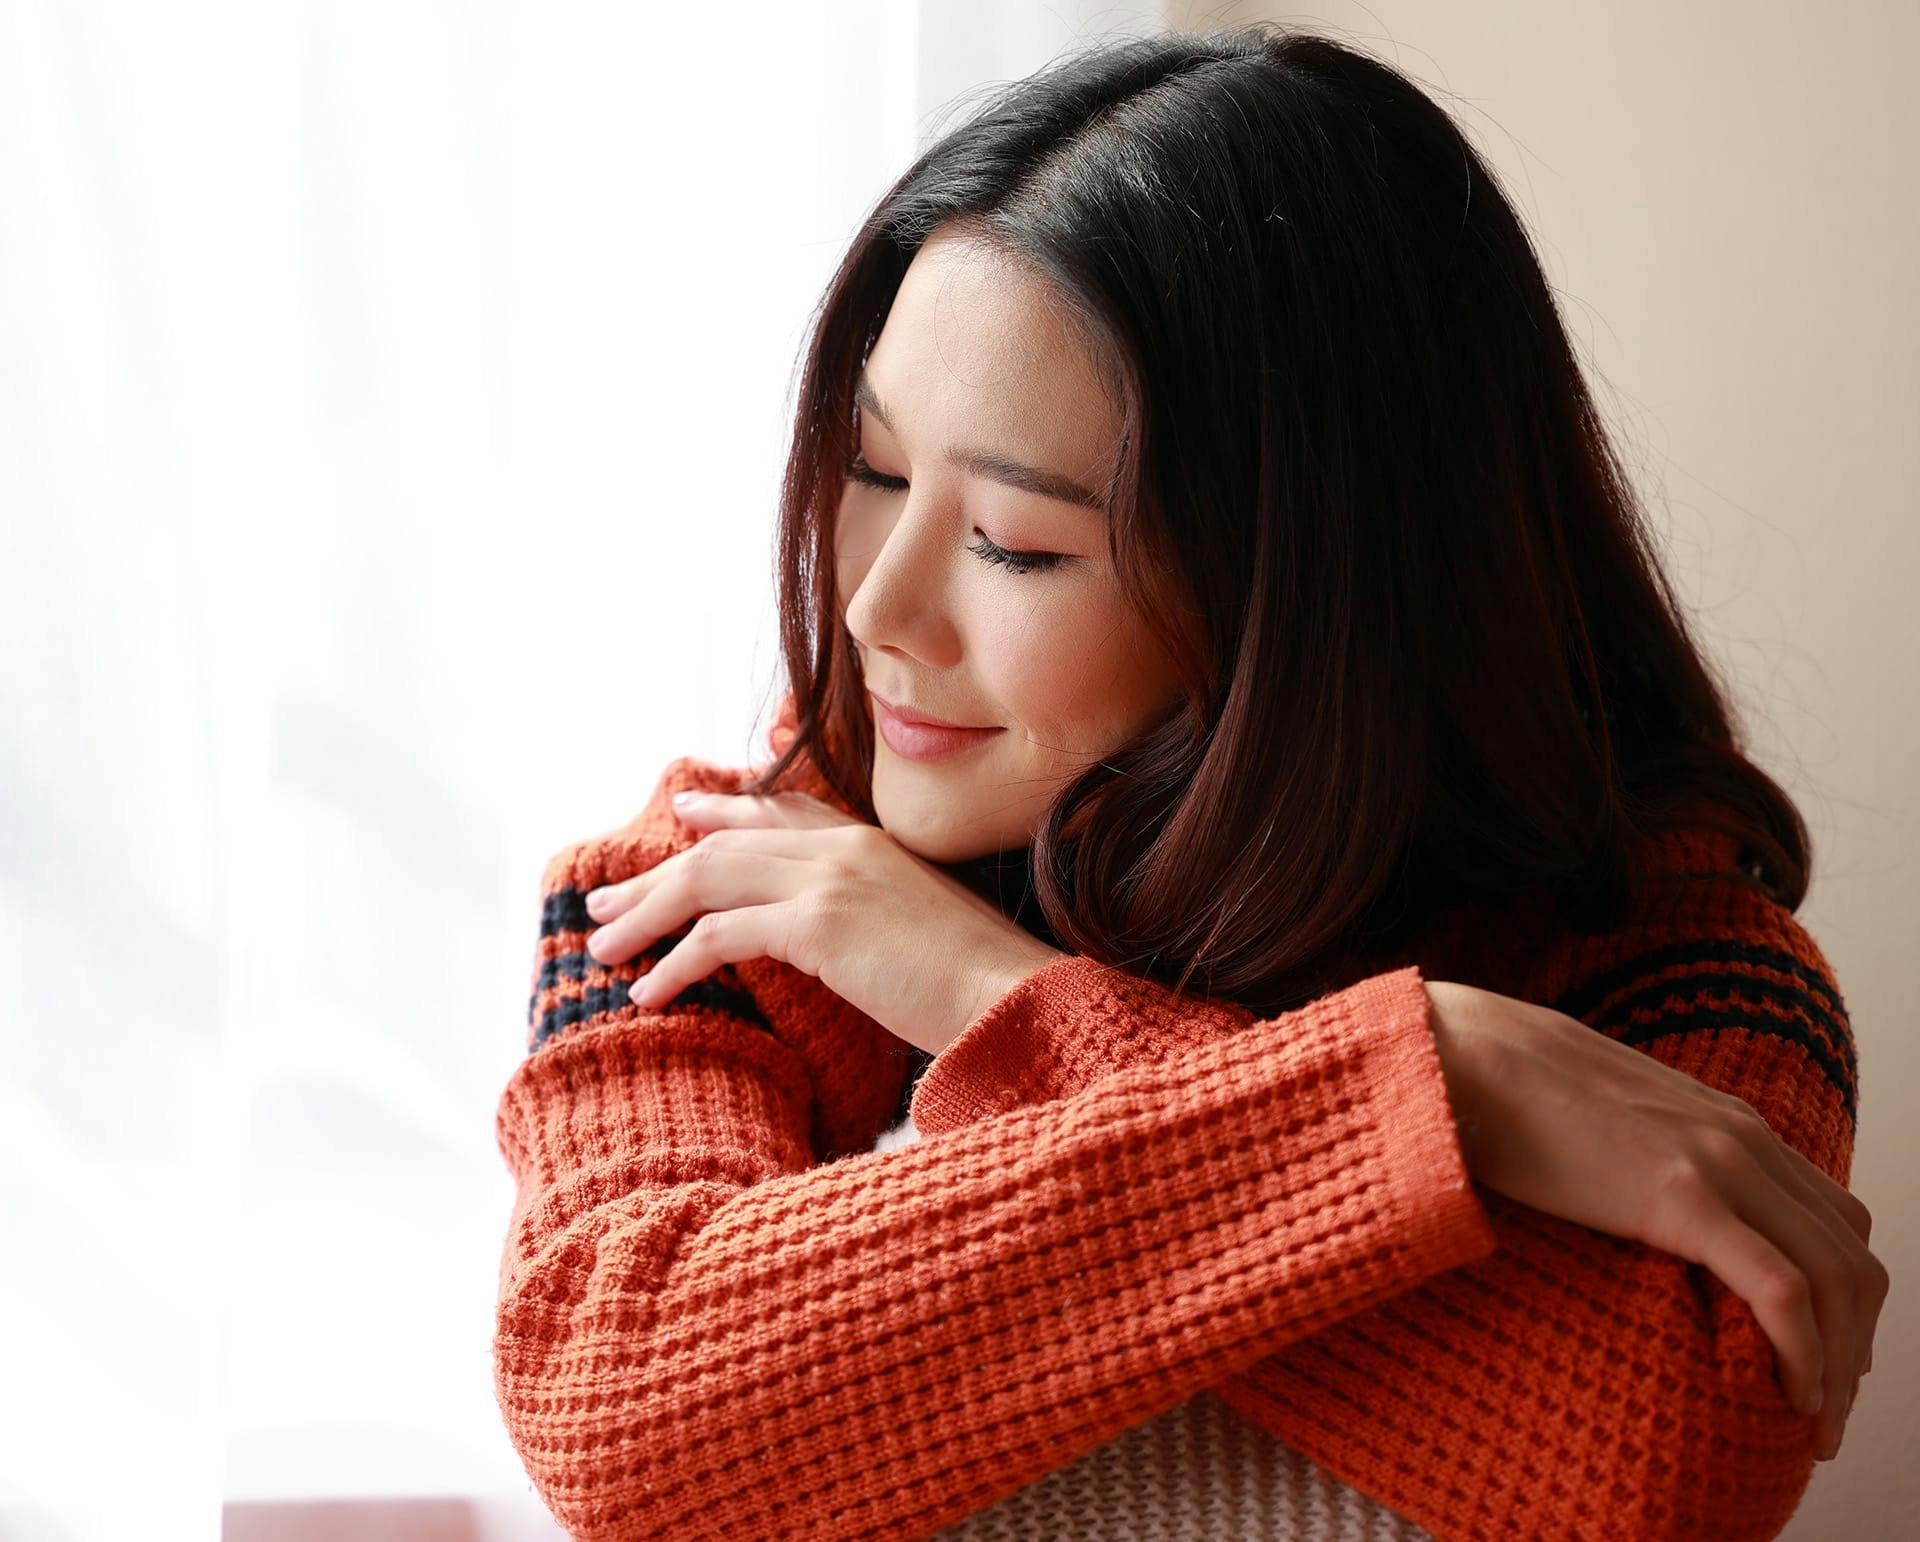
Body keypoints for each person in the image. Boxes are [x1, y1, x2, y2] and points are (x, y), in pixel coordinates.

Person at [492, 25, 1884, 1541]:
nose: (878, 606)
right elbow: (622, 1407)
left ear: (1311, 593)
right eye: (877, 468)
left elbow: (1665, 1459)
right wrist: (1431, 1088)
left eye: (1017, 542)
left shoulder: (1676, 963)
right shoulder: (726, 878)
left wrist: (987, 996)